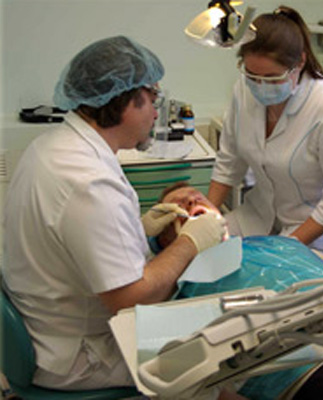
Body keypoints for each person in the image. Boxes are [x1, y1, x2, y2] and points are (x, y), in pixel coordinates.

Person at [2, 36, 228, 392]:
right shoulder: (90, 182)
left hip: (44, 331)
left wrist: (138, 229)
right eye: (152, 98)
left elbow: (75, 240)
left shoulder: (50, 147)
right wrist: (189, 242)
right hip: (81, 355)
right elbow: (130, 300)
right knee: (224, 354)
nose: (156, 112)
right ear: (125, 102)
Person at [207, 5, 323, 260]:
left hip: (317, 232)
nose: (260, 86)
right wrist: (205, 218)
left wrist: (285, 247)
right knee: (196, 252)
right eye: (252, 76)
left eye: (272, 78)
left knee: (253, 278)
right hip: (257, 218)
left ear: (299, 62)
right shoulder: (243, 91)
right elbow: (229, 162)